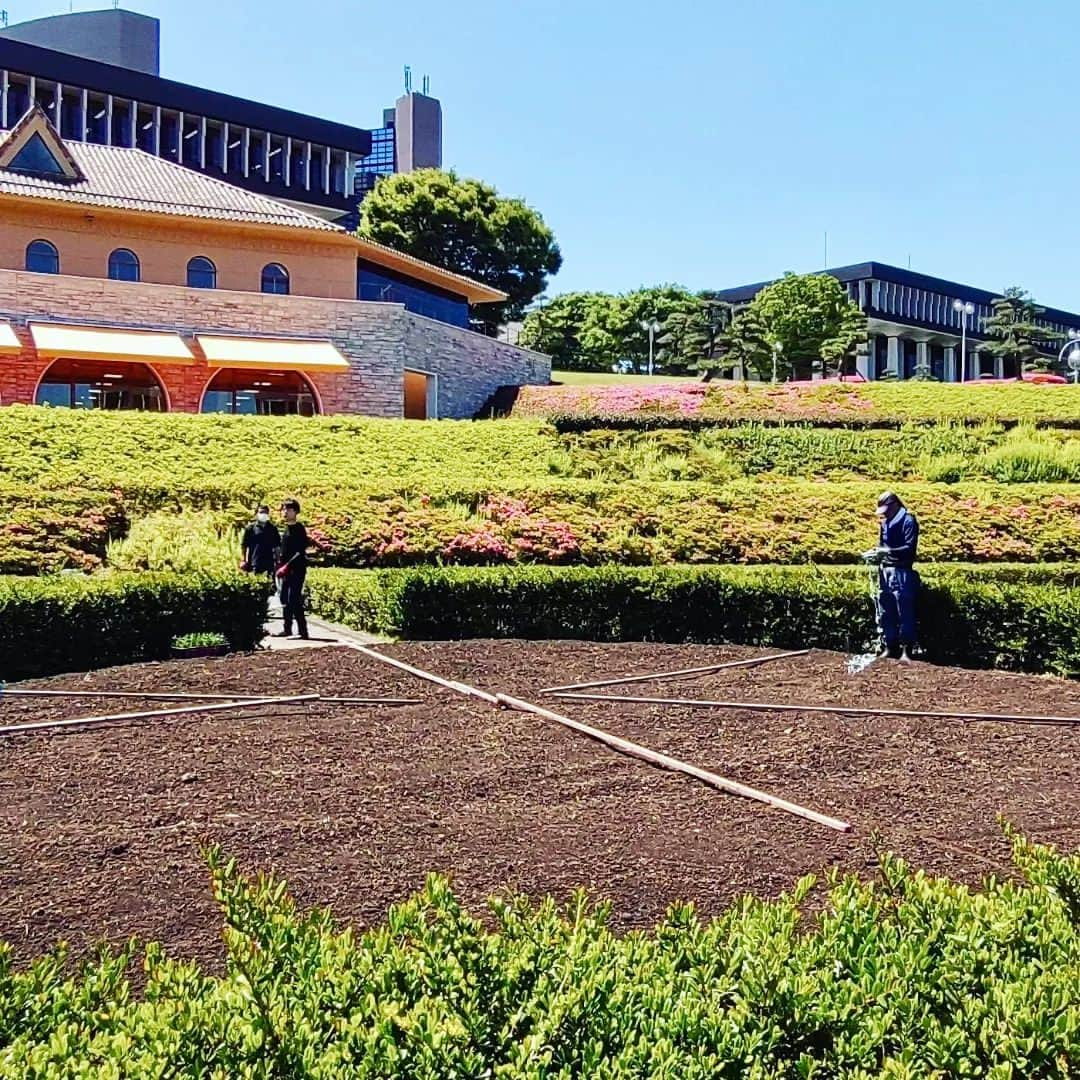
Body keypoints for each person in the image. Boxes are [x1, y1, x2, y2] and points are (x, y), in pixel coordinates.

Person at [863, 491, 920, 661]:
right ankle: (890, 646)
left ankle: (906, 649)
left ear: (895, 505)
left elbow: (909, 548)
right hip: (885, 571)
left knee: (904, 610)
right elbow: (882, 545)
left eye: (887, 510)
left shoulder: (908, 521)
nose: (885, 514)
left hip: (902, 571)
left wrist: (887, 552)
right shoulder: (885, 523)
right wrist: (876, 554)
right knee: (886, 610)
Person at [275, 498, 310, 640]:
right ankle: (287, 628)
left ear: (295, 512)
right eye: (283, 509)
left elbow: (299, 551)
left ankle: (303, 631)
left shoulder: (299, 529)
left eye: (288, 510)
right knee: (285, 599)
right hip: (285, 570)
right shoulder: (286, 529)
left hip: (297, 569)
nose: (285, 512)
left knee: (294, 599)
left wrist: (287, 565)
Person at [240, 504, 281, 579]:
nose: (263, 514)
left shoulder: (272, 529)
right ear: (257, 514)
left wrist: (278, 562)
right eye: (261, 512)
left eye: (265, 512)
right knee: (255, 585)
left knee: (269, 585)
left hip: (269, 563)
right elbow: (244, 545)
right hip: (254, 563)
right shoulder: (250, 528)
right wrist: (243, 560)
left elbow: (277, 546)